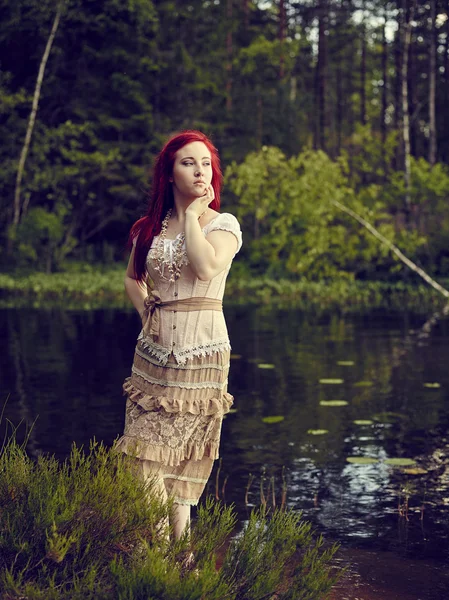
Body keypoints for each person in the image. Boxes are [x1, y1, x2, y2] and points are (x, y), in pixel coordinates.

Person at [115, 130, 242, 541]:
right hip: (151, 352)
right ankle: (158, 555)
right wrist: (145, 311)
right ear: (169, 172)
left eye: (205, 163)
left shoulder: (223, 224)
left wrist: (192, 216)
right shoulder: (148, 227)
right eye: (188, 163)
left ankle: (177, 554)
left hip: (201, 351)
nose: (199, 171)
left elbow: (205, 270)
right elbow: (133, 278)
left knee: (183, 459)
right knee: (142, 454)